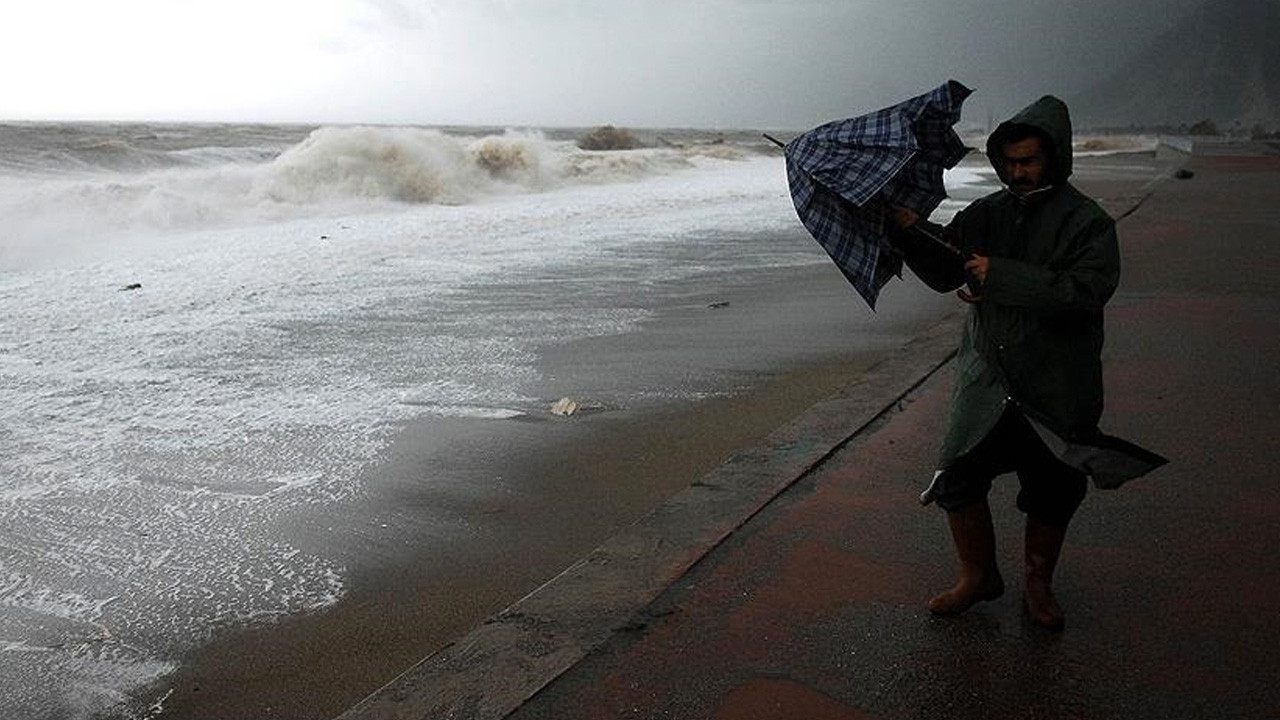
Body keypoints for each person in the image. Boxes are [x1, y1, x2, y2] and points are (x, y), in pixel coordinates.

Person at [891, 95, 1135, 631]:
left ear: (1055, 156)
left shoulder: (1088, 223)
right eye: (1010, 162)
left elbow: (1085, 292)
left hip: (1055, 381)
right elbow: (946, 268)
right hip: (988, 377)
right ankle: (978, 577)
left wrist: (999, 277)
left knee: (1053, 486)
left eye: (1029, 161)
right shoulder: (986, 213)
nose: (1018, 172)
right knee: (957, 475)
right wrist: (909, 229)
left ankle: (1038, 585)